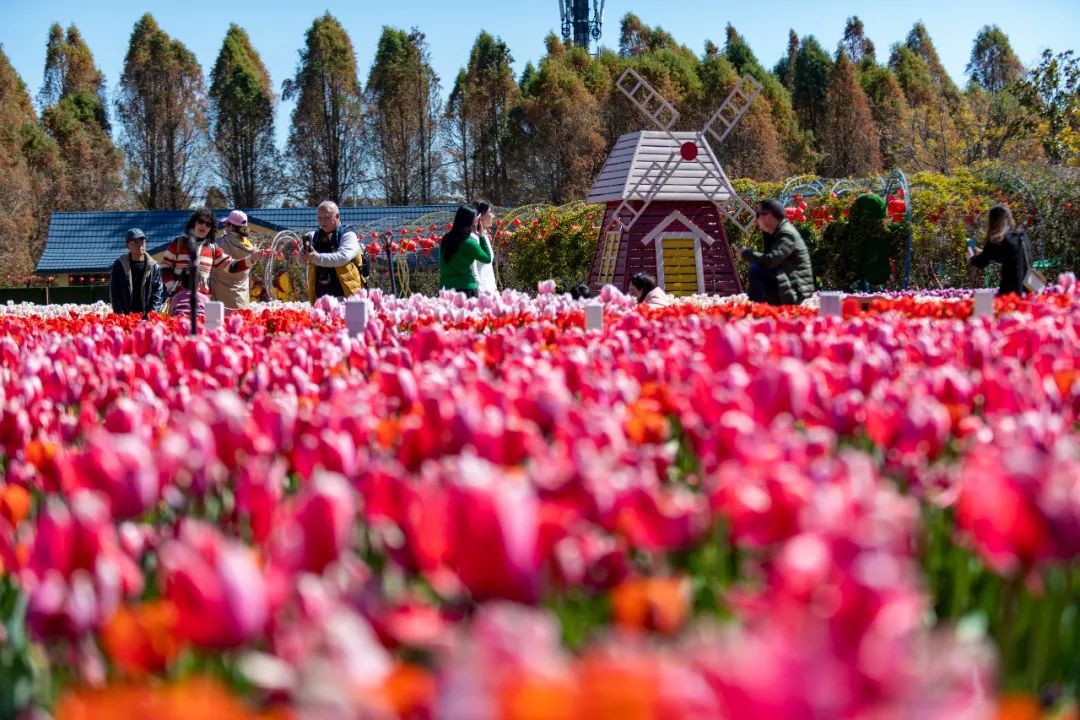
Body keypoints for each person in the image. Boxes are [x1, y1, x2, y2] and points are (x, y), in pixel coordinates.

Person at [161, 207, 251, 317]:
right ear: (194, 223)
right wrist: (171, 287)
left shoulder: (213, 248)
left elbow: (231, 267)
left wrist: (252, 259)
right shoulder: (179, 242)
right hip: (179, 303)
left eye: (208, 224)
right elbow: (165, 265)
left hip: (203, 304)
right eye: (201, 222)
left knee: (205, 332)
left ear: (211, 229)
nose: (204, 226)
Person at [738, 199, 815, 306]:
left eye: (758, 215)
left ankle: (755, 310)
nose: (756, 219)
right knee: (758, 269)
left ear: (769, 216)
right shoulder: (774, 233)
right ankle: (759, 309)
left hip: (796, 290)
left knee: (757, 270)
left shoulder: (787, 234)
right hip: (787, 283)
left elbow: (771, 260)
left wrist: (747, 254)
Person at [299, 200, 364, 302]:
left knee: (352, 319)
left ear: (337, 216)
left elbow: (342, 258)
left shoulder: (348, 235)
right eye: (320, 218)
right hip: (320, 297)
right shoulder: (313, 236)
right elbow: (300, 262)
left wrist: (315, 258)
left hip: (348, 296)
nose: (323, 221)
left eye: (327, 217)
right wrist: (302, 257)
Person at [969, 204, 1030, 296]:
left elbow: (981, 262)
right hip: (1025, 289)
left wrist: (971, 256)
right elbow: (1009, 256)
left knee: (980, 304)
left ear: (992, 221)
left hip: (1008, 290)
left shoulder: (996, 239)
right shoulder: (1017, 236)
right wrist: (983, 252)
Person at [439, 205, 491, 298]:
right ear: (472, 221)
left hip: (445, 289)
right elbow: (487, 258)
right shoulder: (469, 243)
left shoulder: (445, 239)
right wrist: (481, 236)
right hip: (466, 289)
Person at [110, 228, 165, 315]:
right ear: (127, 245)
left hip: (148, 318)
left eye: (142, 241)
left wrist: (151, 315)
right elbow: (115, 294)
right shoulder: (119, 265)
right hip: (126, 317)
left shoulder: (154, 267)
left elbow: (157, 294)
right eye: (134, 242)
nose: (140, 245)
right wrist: (120, 315)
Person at [212, 210, 257, 309]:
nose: (225, 227)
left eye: (226, 224)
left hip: (220, 305)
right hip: (242, 303)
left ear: (231, 227)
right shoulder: (250, 247)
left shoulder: (219, 243)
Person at [473, 201, 499, 294]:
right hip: (481, 292)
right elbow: (473, 269)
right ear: (480, 216)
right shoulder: (474, 238)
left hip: (489, 289)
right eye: (490, 211)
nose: (493, 216)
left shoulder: (484, 237)